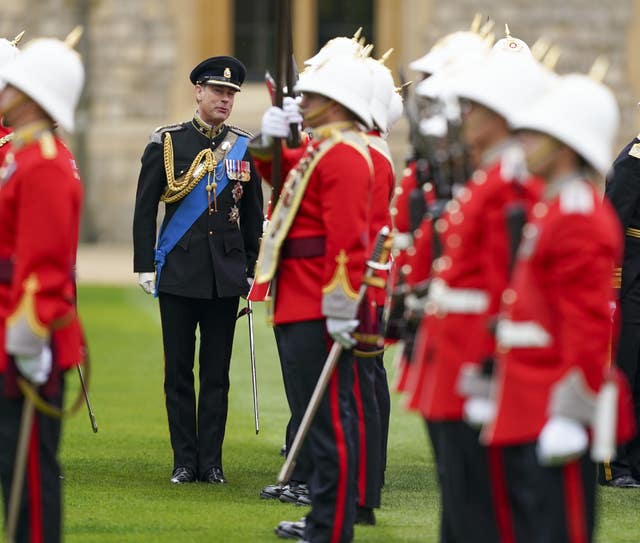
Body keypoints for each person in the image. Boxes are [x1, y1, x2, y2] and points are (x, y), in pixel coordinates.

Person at [404, 31, 552, 542]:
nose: (463, 116)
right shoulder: (486, 175)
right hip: (457, 355)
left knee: (478, 511)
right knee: (462, 503)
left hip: (477, 360)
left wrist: (491, 369)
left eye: (474, 107)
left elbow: (510, 284)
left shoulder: (511, 181)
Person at [482, 70, 630, 541]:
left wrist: (571, 411)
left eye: (535, 137)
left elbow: (587, 324)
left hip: (553, 401)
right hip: (527, 395)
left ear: (565, 146)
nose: (524, 145)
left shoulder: (580, 214)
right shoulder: (555, 206)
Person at [250, 52, 374, 543]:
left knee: (328, 425)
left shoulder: (345, 154)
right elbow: (282, 175)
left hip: (319, 304)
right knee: (316, 419)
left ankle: (331, 524)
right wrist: (271, 139)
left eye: (313, 96)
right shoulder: (326, 150)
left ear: (337, 102)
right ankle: (325, 518)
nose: (304, 102)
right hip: (300, 300)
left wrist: (341, 304)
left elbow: (348, 241)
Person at [132, 55, 263, 485]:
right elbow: (144, 208)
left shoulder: (245, 146)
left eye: (231, 94)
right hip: (180, 272)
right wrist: (143, 263)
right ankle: (184, 461)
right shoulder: (167, 142)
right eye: (218, 92)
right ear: (199, 92)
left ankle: (212, 463)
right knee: (178, 373)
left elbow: (253, 218)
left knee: (217, 375)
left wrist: (249, 269)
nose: (225, 100)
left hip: (224, 276)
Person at [0, 31, 86, 543]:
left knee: (29, 476)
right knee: (13, 470)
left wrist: (29, 336)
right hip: (13, 328)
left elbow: (46, 264)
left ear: (32, 96)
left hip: (29, 336)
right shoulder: (24, 158)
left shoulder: (46, 163)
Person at [602, 129, 640, 488]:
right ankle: (615, 463)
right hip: (630, 283)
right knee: (624, 372)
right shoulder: (632, 162)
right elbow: (611, 226)